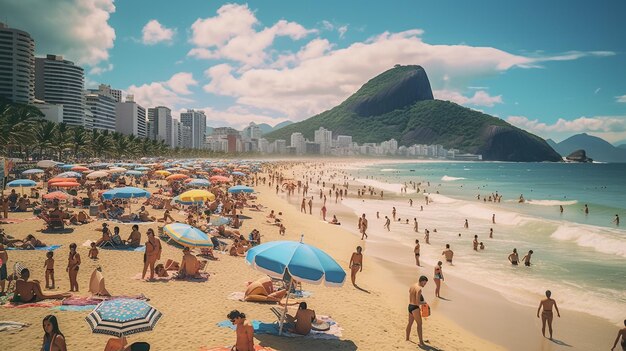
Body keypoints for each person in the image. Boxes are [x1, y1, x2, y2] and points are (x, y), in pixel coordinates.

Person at [406, 275, 429, 346]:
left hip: (410, 306)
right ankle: (421, 342)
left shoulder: (413, 285)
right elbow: (418, 302)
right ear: (421, 281)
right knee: (419, 324)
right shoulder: (419, 289)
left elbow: (410, 292)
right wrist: (424, 302)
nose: (425, 285)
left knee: (410, 323)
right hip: (415, 308)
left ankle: (407, 338)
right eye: (424, 283)